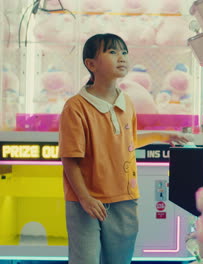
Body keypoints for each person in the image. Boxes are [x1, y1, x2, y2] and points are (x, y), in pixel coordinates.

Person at [58, 33, 189, 264]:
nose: (122, 58)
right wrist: (85, 198)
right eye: (112, 52)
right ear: (91, 64)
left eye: (124, 52)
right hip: (85, 202)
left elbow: (125, 140)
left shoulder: (126, 101)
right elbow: (70, 159)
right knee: (85, 260)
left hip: (125, 198)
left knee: (119, 260)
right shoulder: (75, 108)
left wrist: (162, 135)